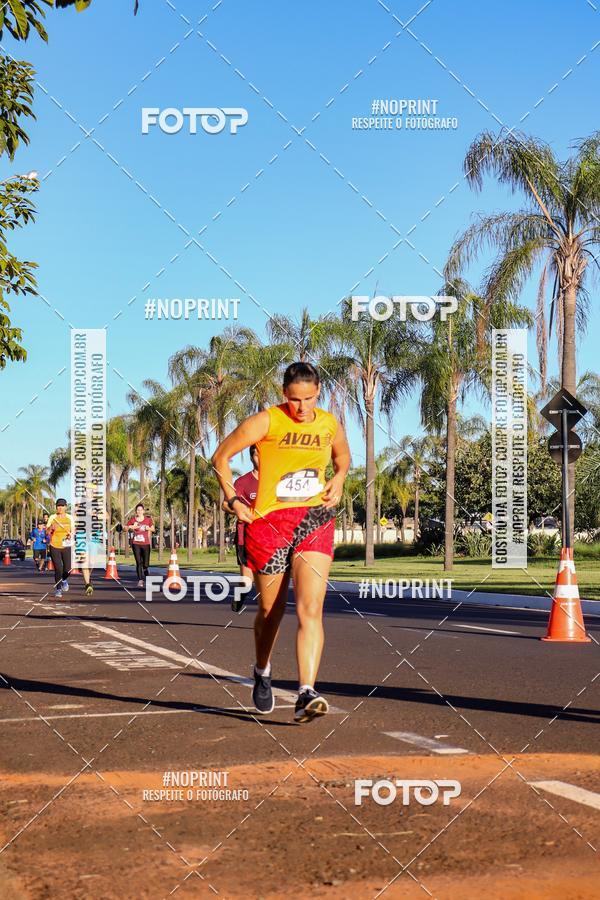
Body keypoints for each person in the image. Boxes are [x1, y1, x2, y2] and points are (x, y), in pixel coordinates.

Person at [212, 362, 351, 723]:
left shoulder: (328, 423)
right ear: (283, 394)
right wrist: (233, 499)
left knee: (310, 609)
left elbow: (343, 456)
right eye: (294, 399)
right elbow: (220, 458)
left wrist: (338, 479)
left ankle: (306, 692)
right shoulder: (267, 421)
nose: (302, 408)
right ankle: (262, 669)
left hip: (314, 519)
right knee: (271, 613)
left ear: (318, 393)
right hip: (268, 524)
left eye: (310, 399)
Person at [222, 444, 259, 612]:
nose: (261, 459)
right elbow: (225, 505)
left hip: (271, 538)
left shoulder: (275, 481)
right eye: (257, 455)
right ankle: (239, 596)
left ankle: (267, 615)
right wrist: (238, 509)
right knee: (247, 582)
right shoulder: (243, 482)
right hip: (247, 536)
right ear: (251, 458)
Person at [46, 499, 73, 599]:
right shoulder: (52, 517)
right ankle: (58, 589)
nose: (60, 508)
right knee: (58, 568)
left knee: (68, 568)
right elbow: (46, 532)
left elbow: (74, 530)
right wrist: (51, 528)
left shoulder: (70, 518)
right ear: (56, 507)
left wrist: (71, 535)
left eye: (62, 506)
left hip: (66, 545)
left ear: (66, 507)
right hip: (54, 545)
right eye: (58, 506)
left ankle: (64, 580)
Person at [126, 503, 155, 588]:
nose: (139, 511)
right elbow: (125, 528)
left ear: (143, 511)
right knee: (138, 562)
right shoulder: (132, 520)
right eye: (138, 510)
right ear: (136, 511)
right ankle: (140, 580)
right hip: (136, 544)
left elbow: (153, 529)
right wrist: (132, 526)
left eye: (141, 510)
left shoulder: (148, 520)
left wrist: (147, 528)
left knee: (145, 564)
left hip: (146, 544)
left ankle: (146, 569)